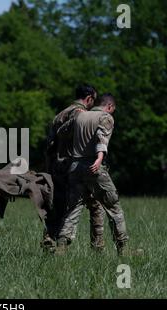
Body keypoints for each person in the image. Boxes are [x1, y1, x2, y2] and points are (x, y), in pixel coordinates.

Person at [56, 93, 142, 256]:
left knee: (73, 208)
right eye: (112, 111)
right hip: (93, 166)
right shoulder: (105, 117)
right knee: (113, 206)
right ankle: (123, 249)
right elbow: (102, 139)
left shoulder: (79, 116)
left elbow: (61, 131)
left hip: (75, 167)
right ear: (109, 106)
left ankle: (61, 247)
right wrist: (99, 158)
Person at [44, 84, 106, 252]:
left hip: (55, 168)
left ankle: (49, 241)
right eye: (94, 100)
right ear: (89, 99)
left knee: (58, 206)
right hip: (74, 167)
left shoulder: (58, 115)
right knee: (95, 205)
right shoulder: (81, 115)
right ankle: (97, 247)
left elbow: (49, 146)